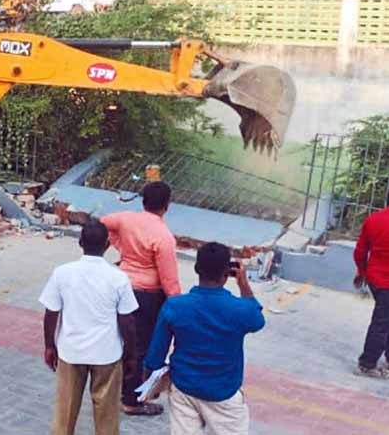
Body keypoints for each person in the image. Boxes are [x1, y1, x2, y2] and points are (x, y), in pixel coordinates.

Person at [143, 242, 265, 435]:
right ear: (228, 273)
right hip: (223, 391)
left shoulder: (175, 306)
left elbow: (156, 356)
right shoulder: (240, 309)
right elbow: (257, 320)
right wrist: (243, 283)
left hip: (184, 387)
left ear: (196, 268)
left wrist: (149, 381)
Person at [39, 219, 138, 435]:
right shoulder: (118, 278)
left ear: (80, 242)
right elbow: (127, 322)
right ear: (107, 244)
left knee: (64, 413)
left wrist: (49, 346)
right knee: (107, 417)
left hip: (71, 352)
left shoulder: (62, 273)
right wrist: (130, 355)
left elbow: (51, 313)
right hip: (107, 354)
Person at [100, 180, 180, 416]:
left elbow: (101, 224)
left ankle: (112, 389)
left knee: (122, 341)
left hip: (122, 286)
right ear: (167, 205)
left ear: (143, 201)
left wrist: (120, 248)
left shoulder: (126, 218)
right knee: (140, 348)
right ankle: (132, 401)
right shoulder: (163, 236)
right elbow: (169, 279)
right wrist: (177, 305)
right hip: (147, 296)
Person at [353, 179, 389, 378]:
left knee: (388, 319)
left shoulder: (373, 219)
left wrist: (361, 271)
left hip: (375, 279)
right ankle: (367, 363)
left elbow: (360, 250)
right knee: (382, 322)